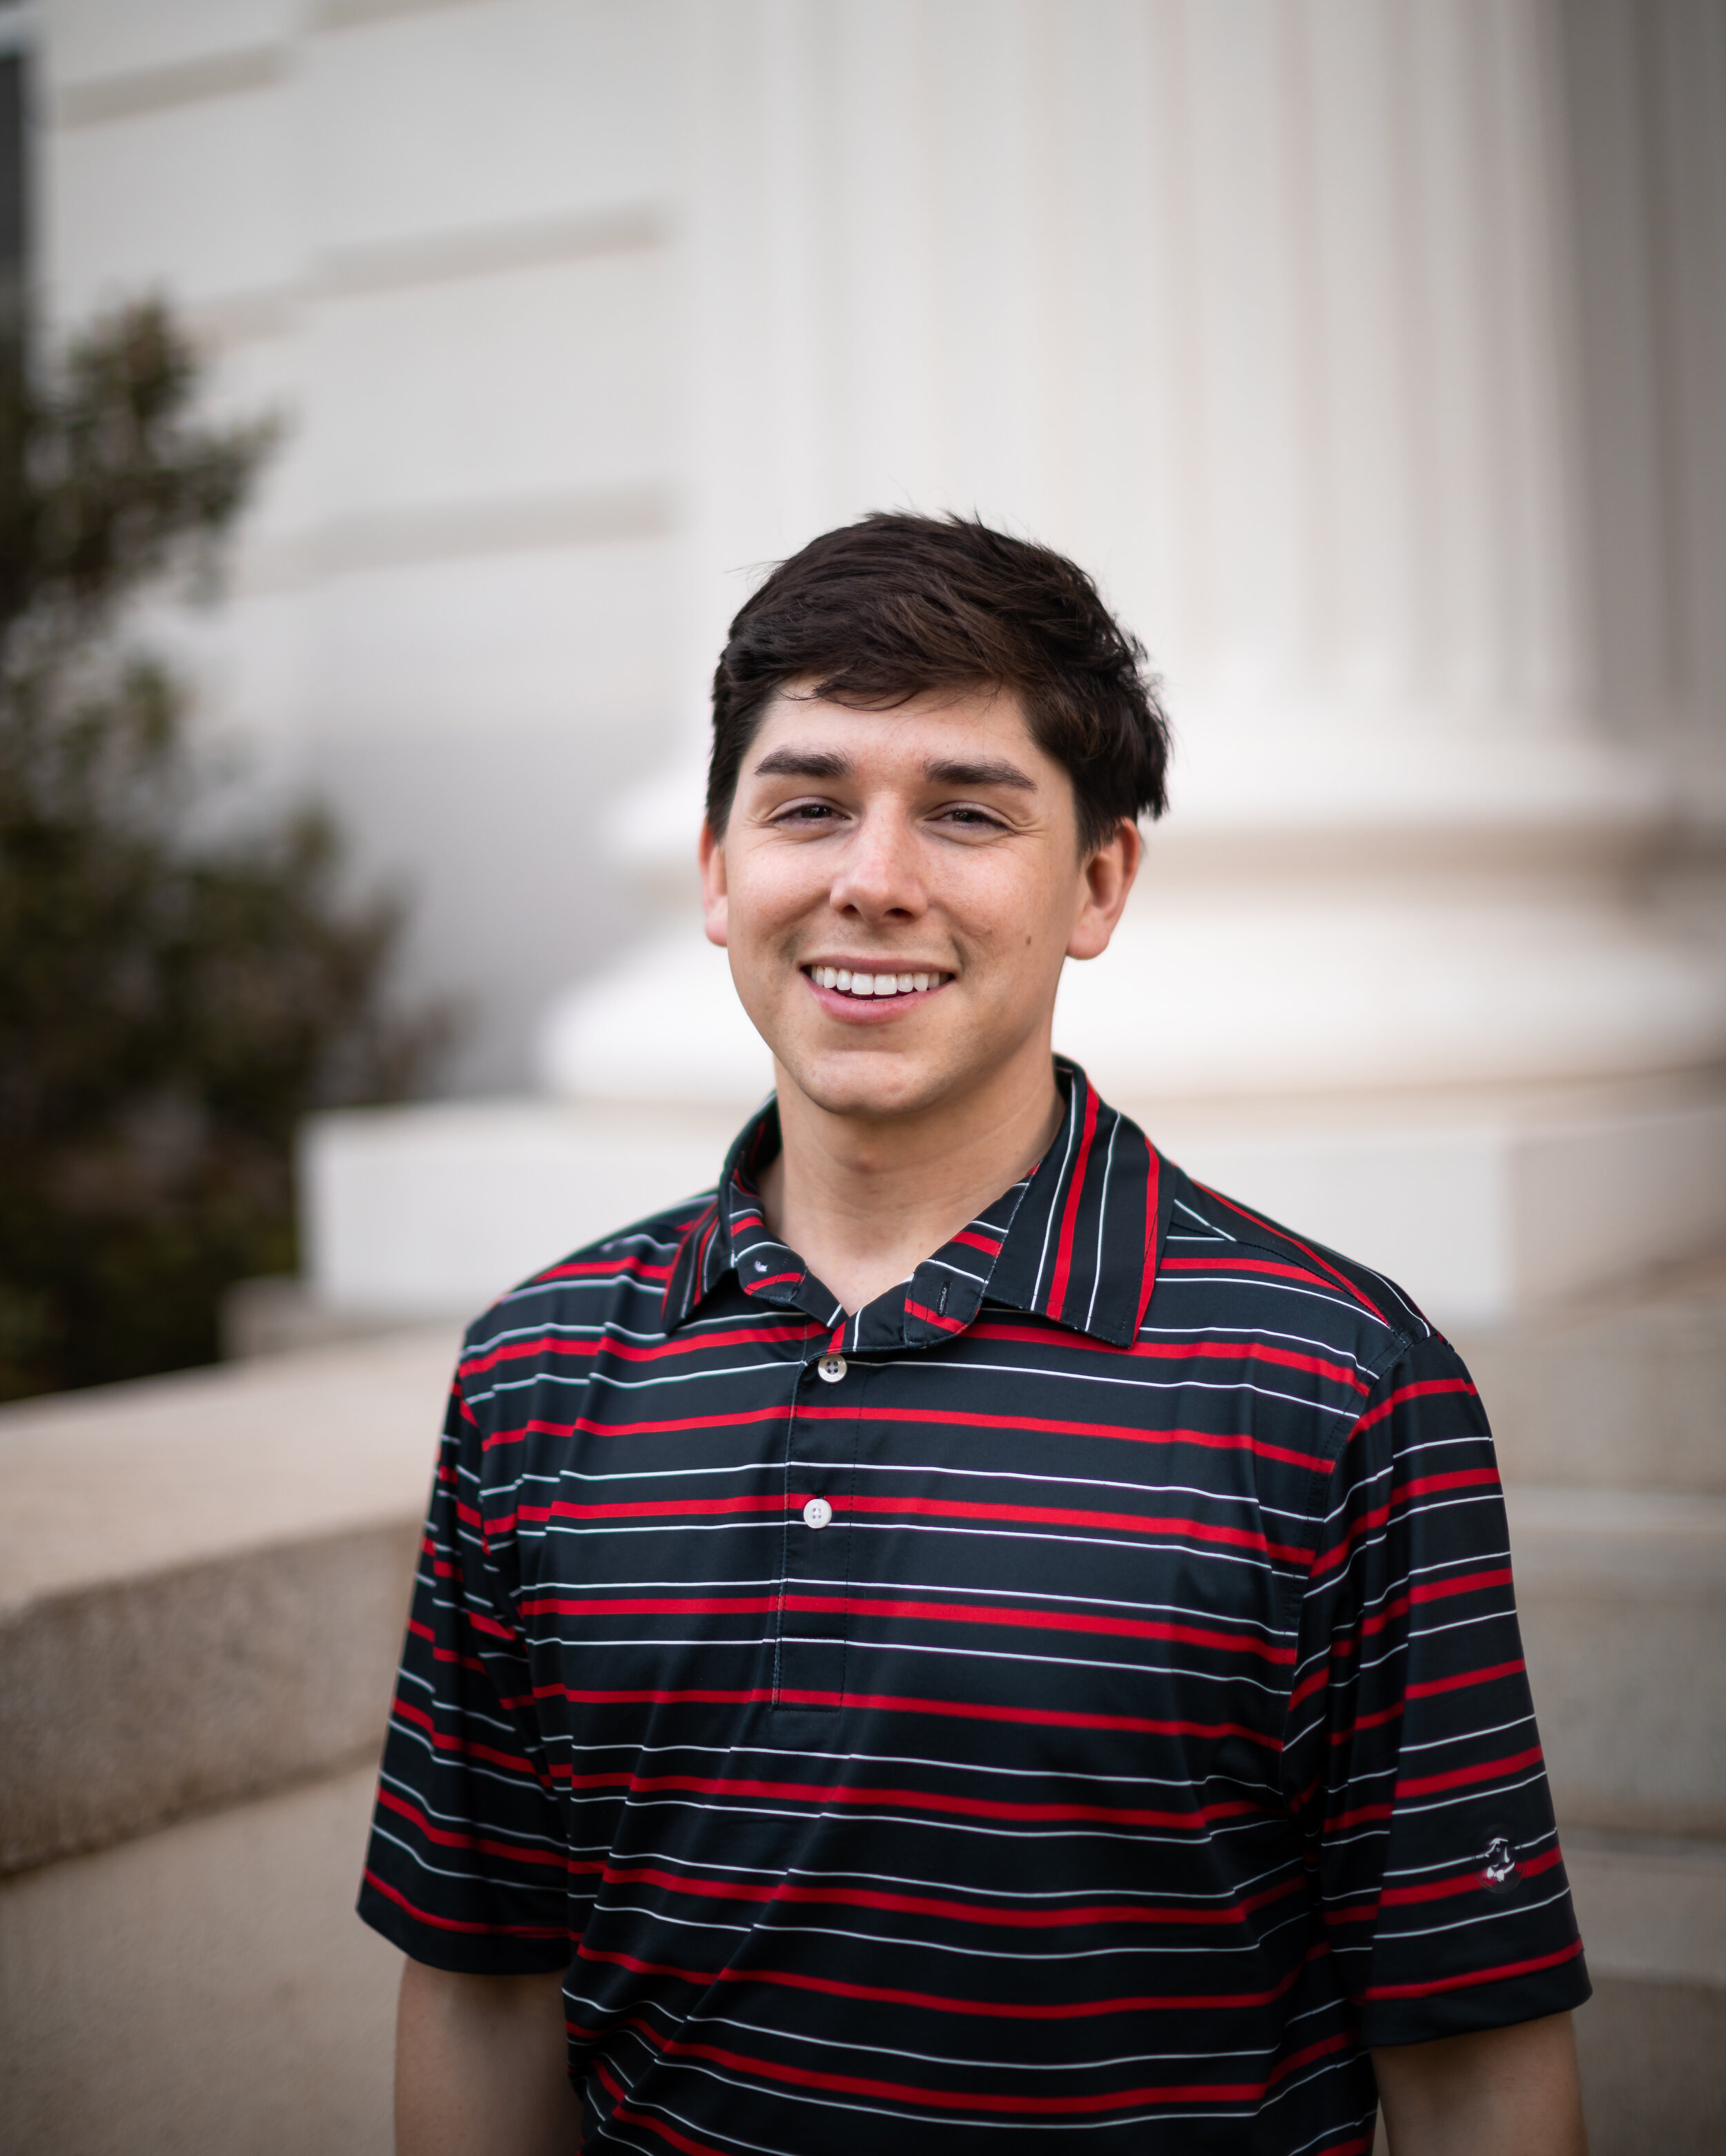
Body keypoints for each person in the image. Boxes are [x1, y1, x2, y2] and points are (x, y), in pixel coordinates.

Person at [360, 514, 1591, 2156]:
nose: (873, 881)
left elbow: (1474, 2062)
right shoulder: (535, 1374)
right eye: (808, 806)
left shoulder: (1340, 1390)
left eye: (963, 811)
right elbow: (485, 1982)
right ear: (720, 876)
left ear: (1096, 882)